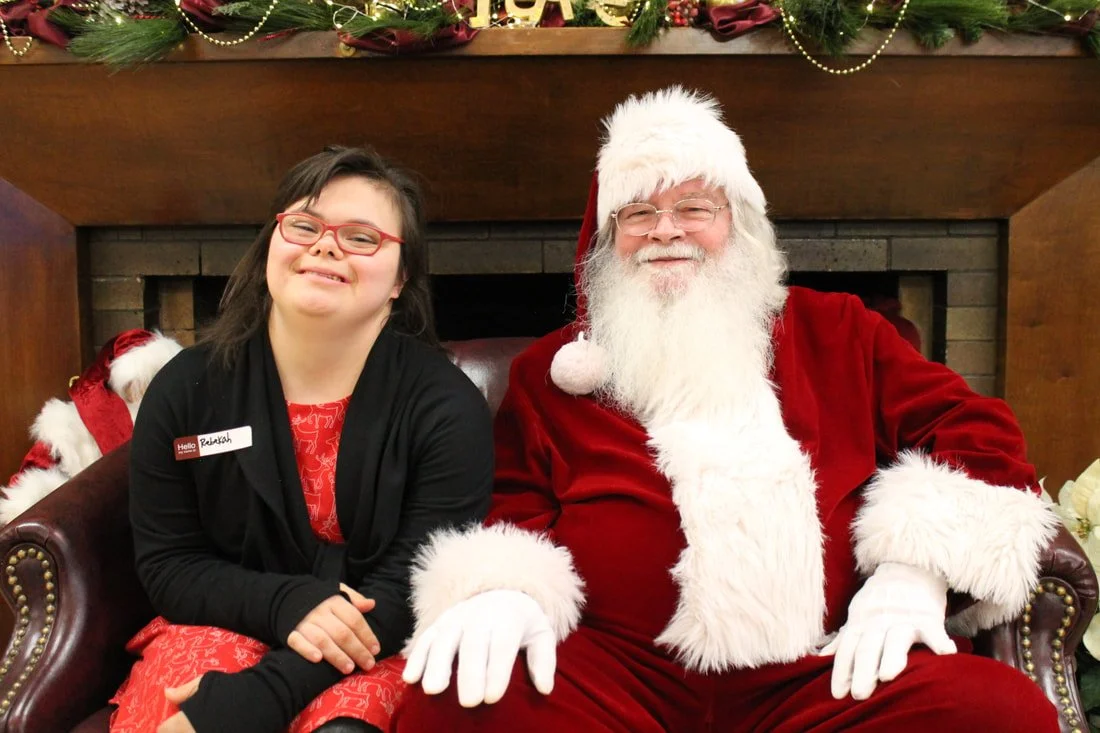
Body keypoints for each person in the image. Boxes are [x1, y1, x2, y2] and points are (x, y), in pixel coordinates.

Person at [392, 88, 1062, 731]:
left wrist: (915, 571)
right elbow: (515, 505)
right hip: (615, 677)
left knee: (1000, 713)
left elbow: (976, 431)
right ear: (608, 239)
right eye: (637, 214)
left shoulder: (840, 331)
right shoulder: (552, 373)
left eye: (694, 207)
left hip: (821, 673)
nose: (665, 232)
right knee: (451, 703)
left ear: (737, 224)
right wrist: (507, 590)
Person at [109, 146, 494, 733]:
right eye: (305, 225)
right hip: (223, 621)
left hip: (379, 642)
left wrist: (262, 696)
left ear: (402, 278)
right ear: (272, 244)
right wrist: (287, 603)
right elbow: (170, 563)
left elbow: (413, 585)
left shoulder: (446, 408)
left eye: (362, 237)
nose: (325, 245)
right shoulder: (187, 390)